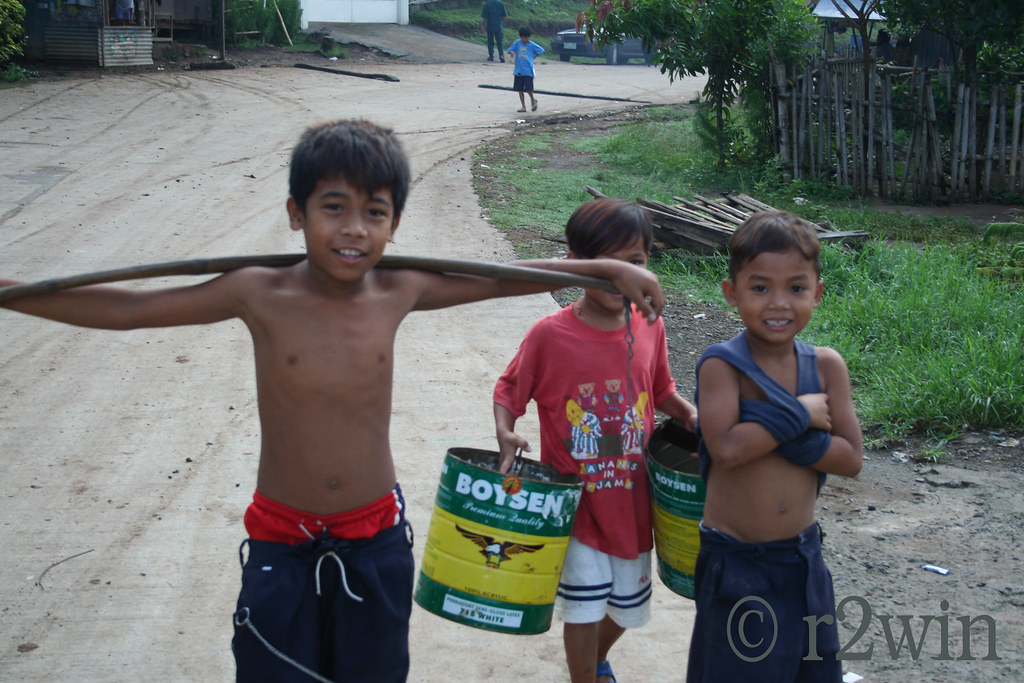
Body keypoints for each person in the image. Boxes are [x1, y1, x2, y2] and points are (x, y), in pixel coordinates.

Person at [0, 120, 669, 683]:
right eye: (333, 206)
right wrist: (11, 289)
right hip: (280, 540)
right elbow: (130, 309)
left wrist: (606, 268)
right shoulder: (256, 289)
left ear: (395, 221)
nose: (354, 229)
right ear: (297, 212)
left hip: (374, 538)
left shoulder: (398, 288)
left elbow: (504, 280)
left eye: (374, 211)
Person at [493, 198, 698, 683]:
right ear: (576, 263)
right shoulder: (550, 335)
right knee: (583, 608)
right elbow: (510, 388)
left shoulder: (651, 324)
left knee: (627, 607)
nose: (618, 277)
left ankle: (595, 660)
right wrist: (505, 431)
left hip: (633, 502)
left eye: (634, 262)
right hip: (576, 504)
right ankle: (583, 676)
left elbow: (661, 388)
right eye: (603, 263)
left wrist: (687, 413)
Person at [686, 210, 863, 682]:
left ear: (817, 294)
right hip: (738, 563)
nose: (778, 303)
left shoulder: (827, 367)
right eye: (760, 287)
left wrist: (763, 426)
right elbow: (725, 449)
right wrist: (799, 415)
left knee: (814, 672)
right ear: (731, 293)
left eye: (797, 288)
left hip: (803, 560)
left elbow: (850, 459)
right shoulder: (722, 366)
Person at [507, 27, 544, 113]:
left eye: (527, 38)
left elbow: (541, 50)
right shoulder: (517, 43)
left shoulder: (532, 45)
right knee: (520, 89)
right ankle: (523, 106)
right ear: (520, 37)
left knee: (529, 88)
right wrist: (512, 52)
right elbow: (510, 50)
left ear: (529, 37)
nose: (525, 39)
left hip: (528, 70)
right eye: (523, 37)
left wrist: (534, 56)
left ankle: (533, 100)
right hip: (518, 70)